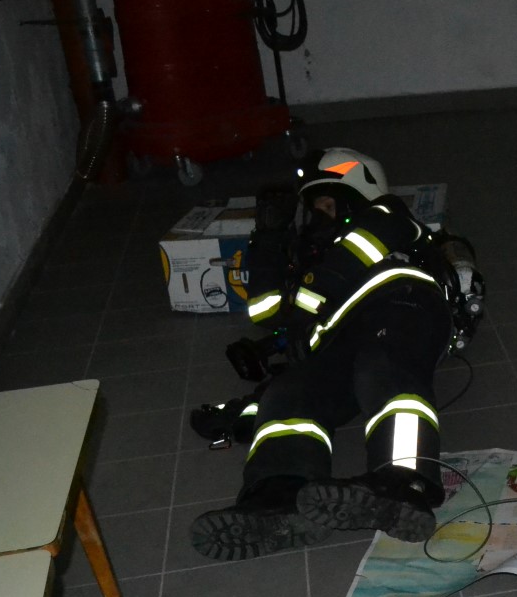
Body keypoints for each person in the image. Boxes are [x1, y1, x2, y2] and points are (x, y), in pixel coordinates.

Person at [190, 148, 459, 561]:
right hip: (338, 335)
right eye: (313, 209)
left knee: (382, 368)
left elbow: (344, 265)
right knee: (291, 393)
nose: (319, 216)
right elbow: (264, 311)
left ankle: (403, 481)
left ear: (357, 198)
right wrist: (269, 238)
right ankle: (278, 494)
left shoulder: (389, 217)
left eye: (329, 205)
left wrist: (302, 309)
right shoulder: (311, 261)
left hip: (401, 304)